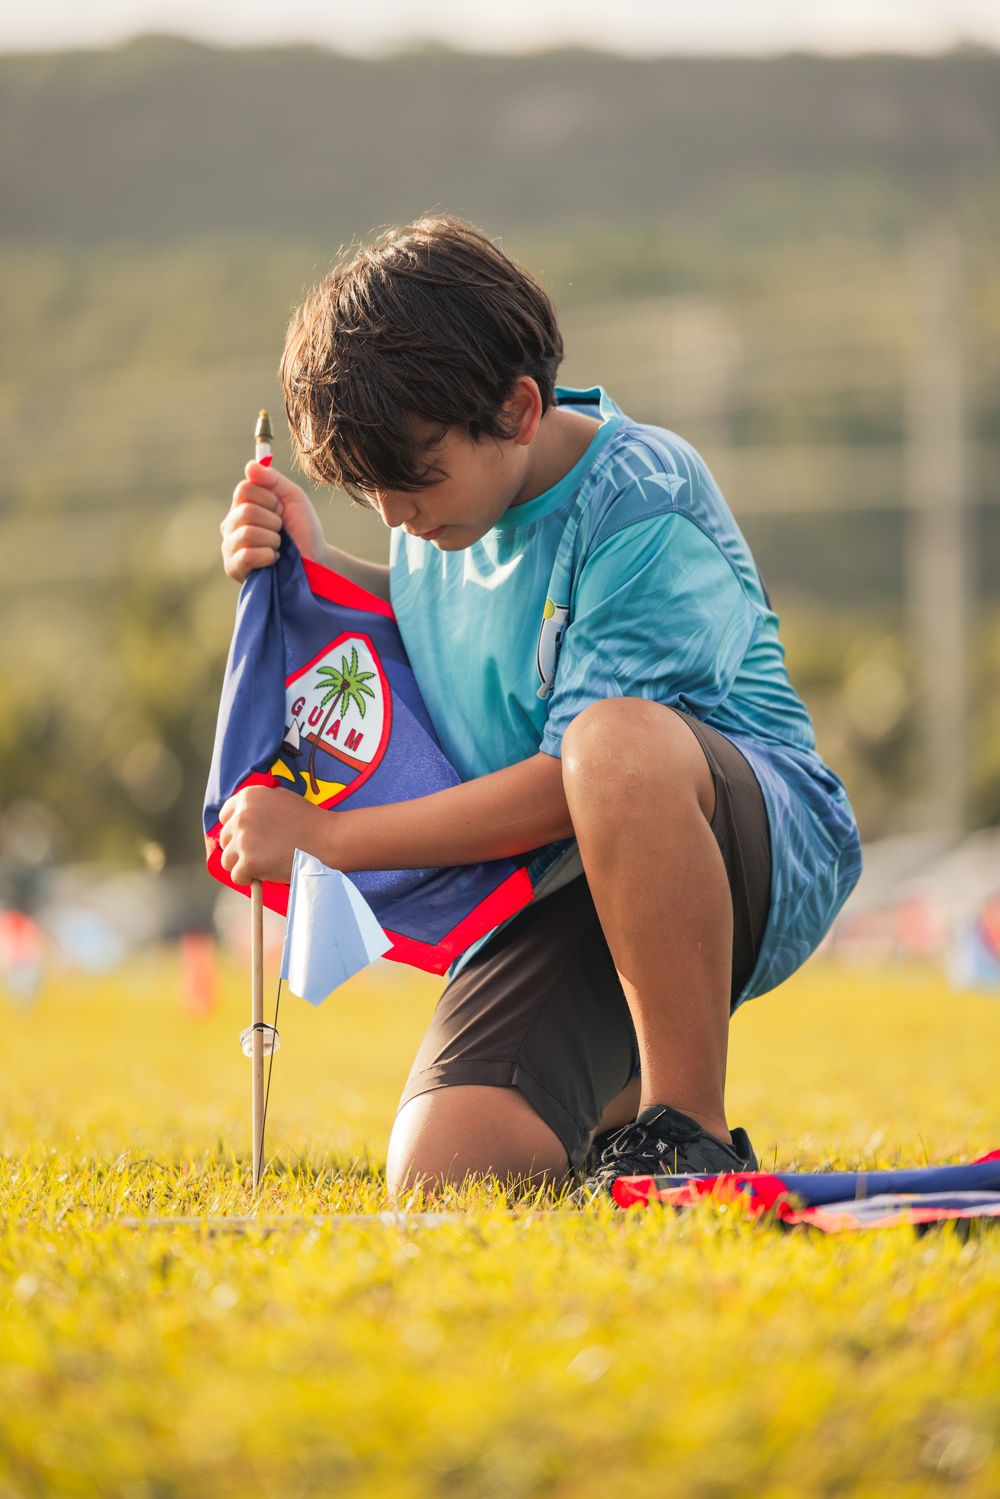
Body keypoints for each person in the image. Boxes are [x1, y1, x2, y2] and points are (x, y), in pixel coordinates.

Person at [218, 216, 861, 1197]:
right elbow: (450, 631)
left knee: (611, 746)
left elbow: (571, 785)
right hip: (558, 875)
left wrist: (326, 837)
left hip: (744, 838)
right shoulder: (445, 514)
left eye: (411, 474)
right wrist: (307, 569)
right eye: (365, 489)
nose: (394, 516)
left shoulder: (639, 500)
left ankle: (684, 1125)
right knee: (447, 1171)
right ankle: (612, 1090)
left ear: (518, 408)